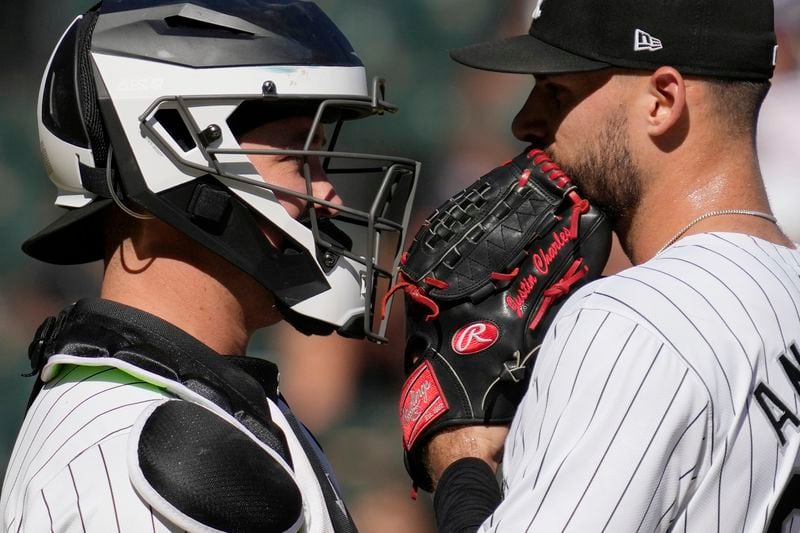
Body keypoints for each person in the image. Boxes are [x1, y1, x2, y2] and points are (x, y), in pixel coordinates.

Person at [0, 0, 419, 531]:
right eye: (298, 156)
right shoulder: (132, 452)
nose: (330, 195)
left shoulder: (198, 402)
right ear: (176, 153)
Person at [420, 0, 800, 531]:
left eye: (557, 90)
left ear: (662, 100)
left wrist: (463, 462)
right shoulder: (788, 289)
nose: (525, 120)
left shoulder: (632, 320)